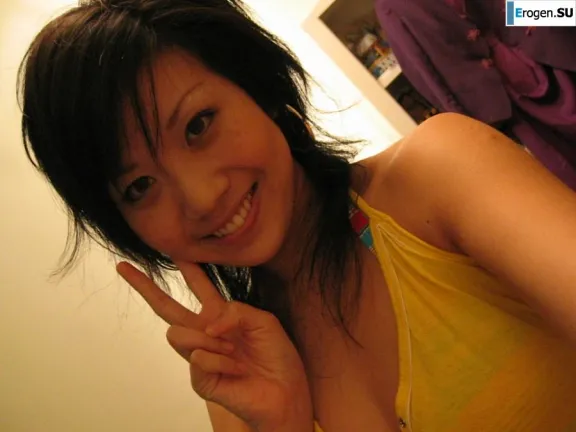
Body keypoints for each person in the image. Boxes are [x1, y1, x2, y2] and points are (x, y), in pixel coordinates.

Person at [18, 1, 576, 431]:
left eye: (198, 125)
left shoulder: (436, 175)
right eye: (139, 186)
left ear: (256, 87)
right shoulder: (233, 379)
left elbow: (546, 13)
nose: (201, 197)